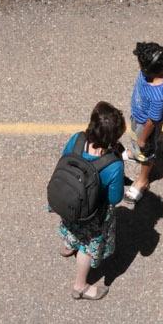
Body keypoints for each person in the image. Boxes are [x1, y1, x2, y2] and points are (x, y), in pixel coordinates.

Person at [54, 101, 127, 300]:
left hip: (69, 201)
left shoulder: (77, 139)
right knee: (86, 246)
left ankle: (68, 246)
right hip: (92, 213)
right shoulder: (113, 165)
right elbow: (115, 198)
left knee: (71, 226)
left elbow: (65, 158)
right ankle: (80, 286)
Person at [122, 42, 163, 206]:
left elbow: (153, 120)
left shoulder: (158, 94)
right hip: (138, 118)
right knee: (136, 140)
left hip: (146, 125)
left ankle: (142, 180)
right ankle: (135, 152)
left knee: (146, 151)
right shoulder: (149, 72)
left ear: (148, 69)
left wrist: (143, 139)